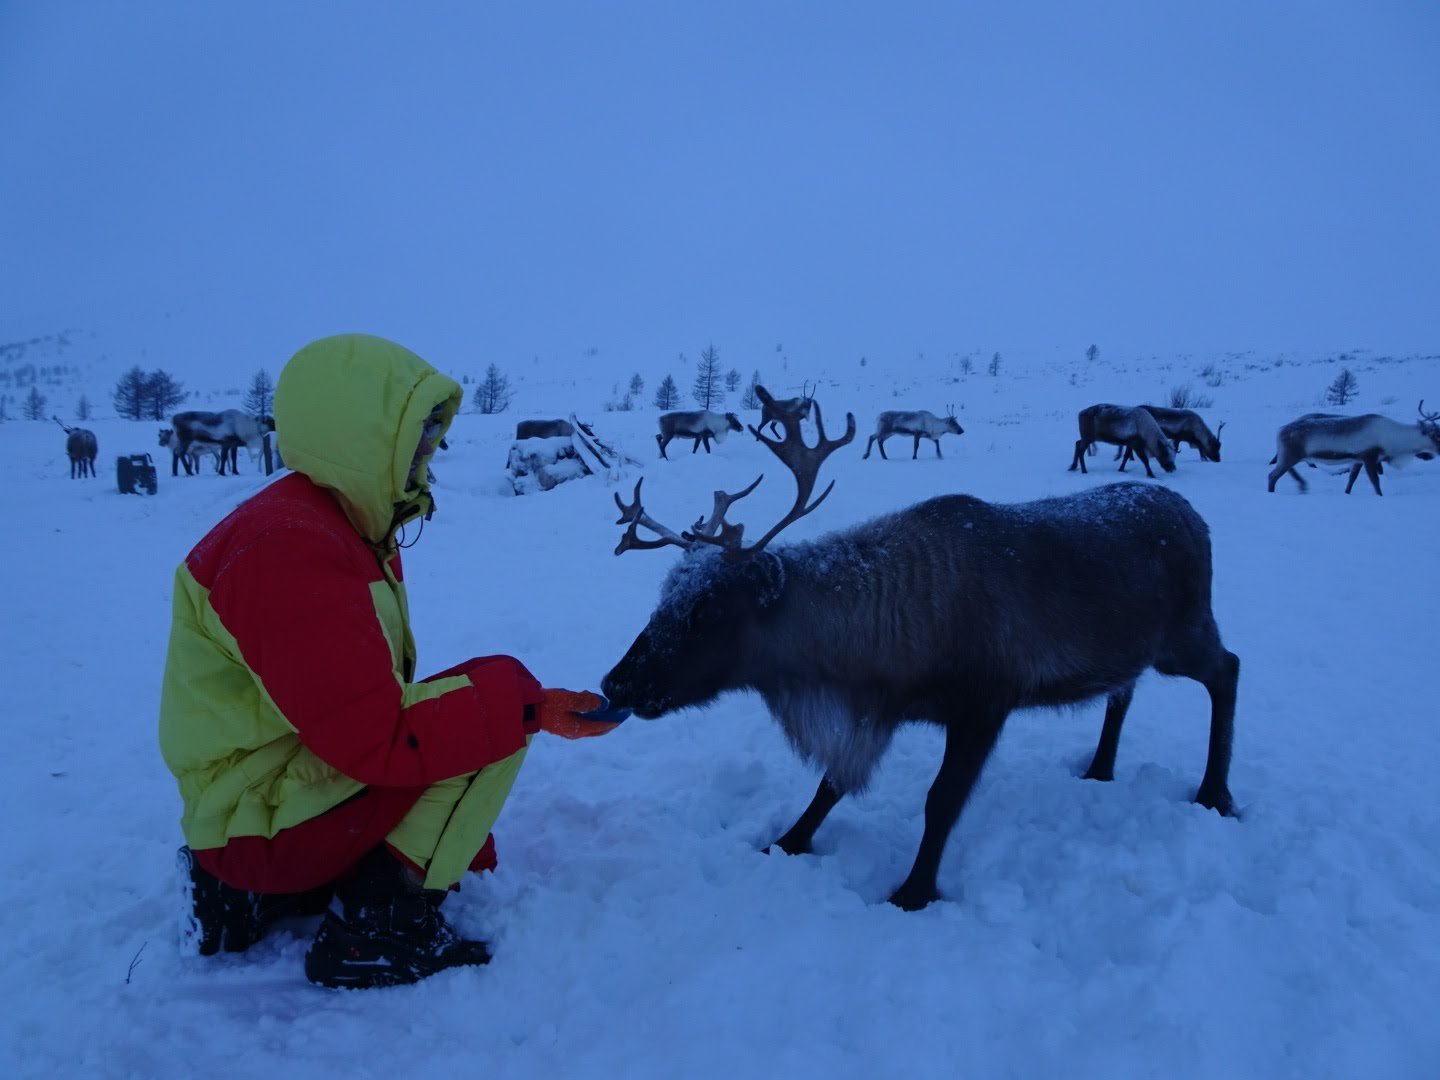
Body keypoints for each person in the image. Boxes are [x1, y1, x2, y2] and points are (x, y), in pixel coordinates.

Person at [158, 333, 625, 989]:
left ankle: (252, 899)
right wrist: (530, 707)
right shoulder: (288, 550)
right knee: (491, 719)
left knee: (474, 702)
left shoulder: (330, 522)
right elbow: (377, 738)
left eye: (434, 433)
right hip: (252, 819)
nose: (431, 451)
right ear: (359, 437)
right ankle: (377, 927)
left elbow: (348, 706)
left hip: (256, 791)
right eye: (416, 434)